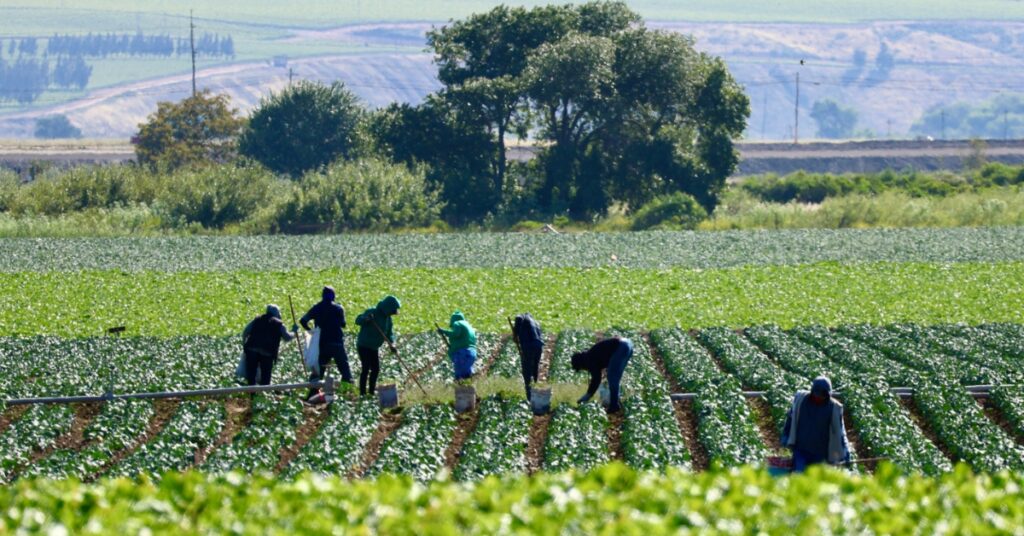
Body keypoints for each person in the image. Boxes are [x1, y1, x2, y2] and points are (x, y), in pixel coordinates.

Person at [780, 376, 851, 472]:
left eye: (822, 396)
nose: (819, 397)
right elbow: (790, 418)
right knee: (799, 476)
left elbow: (840, 432)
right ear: (812, 391)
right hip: (801, 450)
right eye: (817, 394)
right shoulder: (801, 400)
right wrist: (786, 435)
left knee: (815, 480)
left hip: (821, 453)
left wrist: (845, 453)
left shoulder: (834, 408)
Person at [300, 286, 350, 398]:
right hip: (336, 342)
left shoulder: (317, 308)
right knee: (345, 370)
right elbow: (343, 324)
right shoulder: (338, 308)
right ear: (333, 296)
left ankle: (312, 395)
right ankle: (345, 394)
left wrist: (311, 331)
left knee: (318, 371)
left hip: (322, 343)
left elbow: (303, 320)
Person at [354, 295, 402, 397]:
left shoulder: (388, 320)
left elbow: (389, 334)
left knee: (375, 369)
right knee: (366, 368)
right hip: (364, 345)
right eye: (392, 310)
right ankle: (362, 393)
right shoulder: (372, 312)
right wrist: (366, 319)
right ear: (387, 308)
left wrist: (392, 344)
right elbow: (358, 320)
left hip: (374, 347)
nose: (393, 313)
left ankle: (371, 392)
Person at [571, 337, 633, 414]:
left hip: (621, 346)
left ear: (581, 364)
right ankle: (616, 401)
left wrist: (587, 396)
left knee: (612, 377)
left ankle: (614, 406)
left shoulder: (589, 360)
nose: (583, 369)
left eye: (580, 368)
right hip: (627, 343)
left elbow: (596, 379)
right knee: (615, 376)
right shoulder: (589, 355)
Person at [241, 304, 297, 386]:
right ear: (277, 313)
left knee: (251, 376)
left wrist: (244, 346)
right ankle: (262, 395)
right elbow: (287, 337)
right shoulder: (279, 324)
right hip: (267, 353)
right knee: (265, 378)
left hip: (251, 350)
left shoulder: (257, 320)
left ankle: (252, 394)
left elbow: (245, 332)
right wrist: (294, 331)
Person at [437, 310, 477, 380]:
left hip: (462, 353)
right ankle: (469, 388)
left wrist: (444, 332)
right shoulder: (469, 326)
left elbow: (456, 334)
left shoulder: (457, 323)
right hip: (472, 353)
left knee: (460, 377)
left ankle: (461, 389)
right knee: (467, 375)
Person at [513, 313, 544, 400]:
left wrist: (515, 336)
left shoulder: (521, 320)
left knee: (526, 370)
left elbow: (516, 335)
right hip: (539, 347)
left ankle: (529, 395)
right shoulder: (536, 322)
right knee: (535, 368)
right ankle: (535, 388)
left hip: (529, 347)